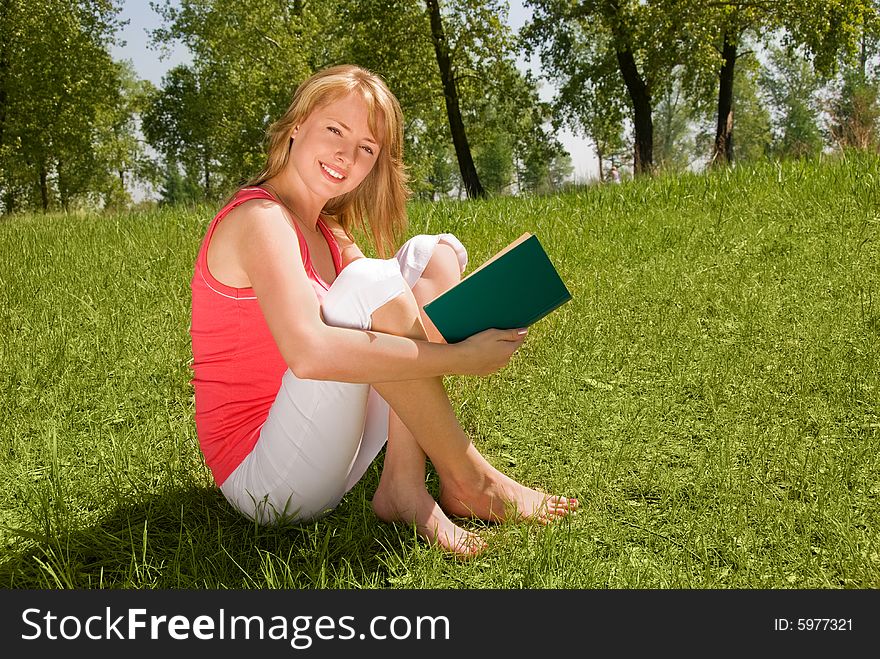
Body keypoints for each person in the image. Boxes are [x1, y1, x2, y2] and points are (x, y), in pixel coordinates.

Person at [190, 64, 577, 557]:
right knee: (369, 282)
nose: (346, 155)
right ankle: (468, 476)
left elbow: (394, 307)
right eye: (335, 130)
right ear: (295, 127)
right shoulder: (258, 218)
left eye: (366, 148)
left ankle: (403, 484)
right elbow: (309, 354)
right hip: (267, 480)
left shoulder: (328, 231)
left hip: (324, 447)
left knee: (431, 255)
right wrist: (461, 358)